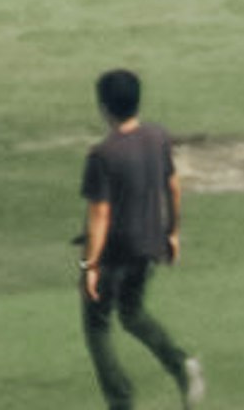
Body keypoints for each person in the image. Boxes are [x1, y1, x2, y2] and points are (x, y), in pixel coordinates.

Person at [81, 69, 206, 410]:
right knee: (133, 313)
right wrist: (173, 233)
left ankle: (121, 402)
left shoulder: (102, 155)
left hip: (111, 255)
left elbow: (100, 216)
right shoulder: (157, 137)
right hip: (148, 249)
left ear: (104, 107)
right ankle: (181, 365)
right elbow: (173, 187)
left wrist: (89, 265)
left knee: (97, 326)